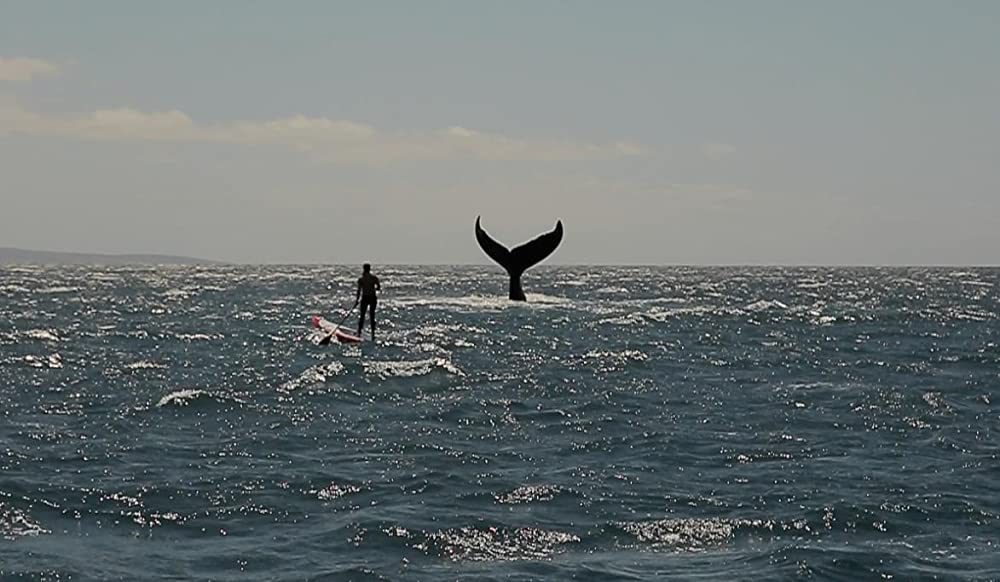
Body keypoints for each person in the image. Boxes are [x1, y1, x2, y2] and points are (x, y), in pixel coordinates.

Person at [355, 263, 380, 340]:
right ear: (369, 269)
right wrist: (373, 289)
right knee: (372, 316)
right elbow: (378, 287)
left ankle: (359, 333)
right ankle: (373, 334)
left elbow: (359, 291)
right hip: (372, 298)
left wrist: (357, 300)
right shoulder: (374, 278)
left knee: (362, 316)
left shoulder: (361, 279)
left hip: (365, 298)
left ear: (364, 269)